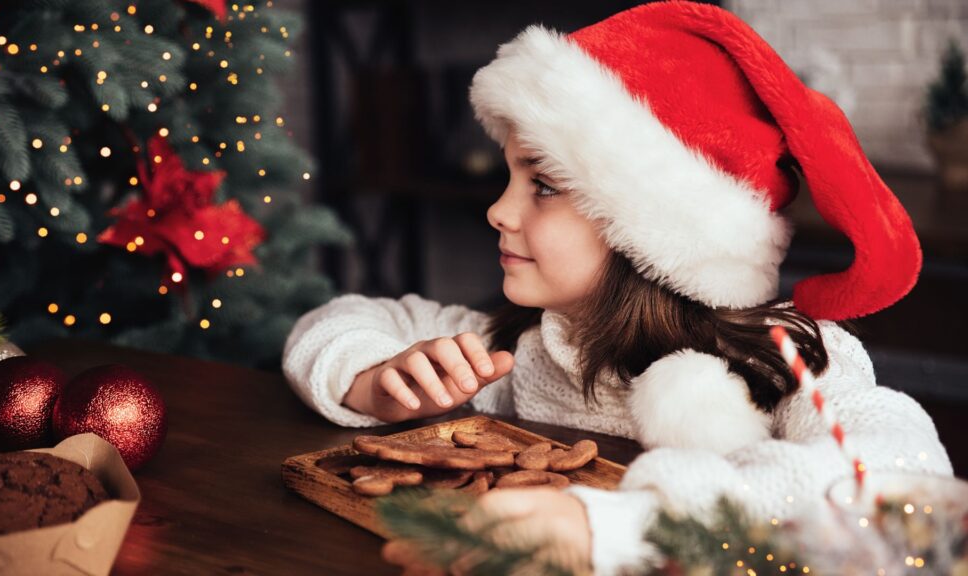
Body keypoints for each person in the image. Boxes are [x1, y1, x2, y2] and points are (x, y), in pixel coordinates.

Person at [282, 2, 953, 573]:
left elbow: (897, 478)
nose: (499, 210)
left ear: (647, 223)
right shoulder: (525, 348)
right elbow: (340, 320)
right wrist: (372, 376)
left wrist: (608, 529)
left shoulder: (793, 361)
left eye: (541, 184)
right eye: (510, 177)